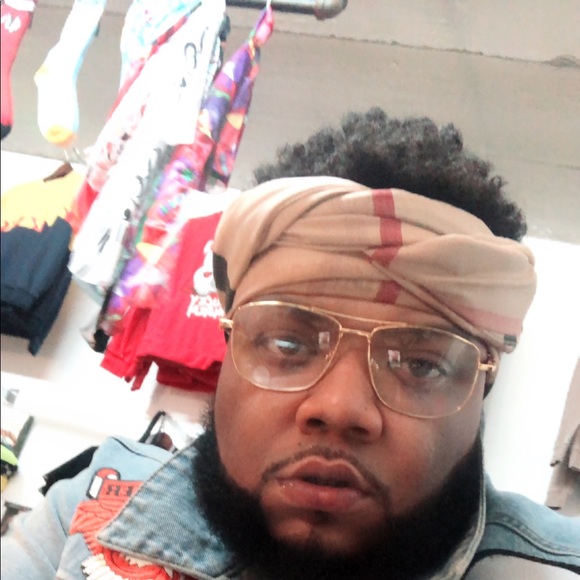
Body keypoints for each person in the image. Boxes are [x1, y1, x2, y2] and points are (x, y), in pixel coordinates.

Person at [2, 108, 579, 579]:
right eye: (286, 342)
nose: (339, 408)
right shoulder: (86, 515)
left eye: (423, 365)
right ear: (228, 347)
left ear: (482, 389)